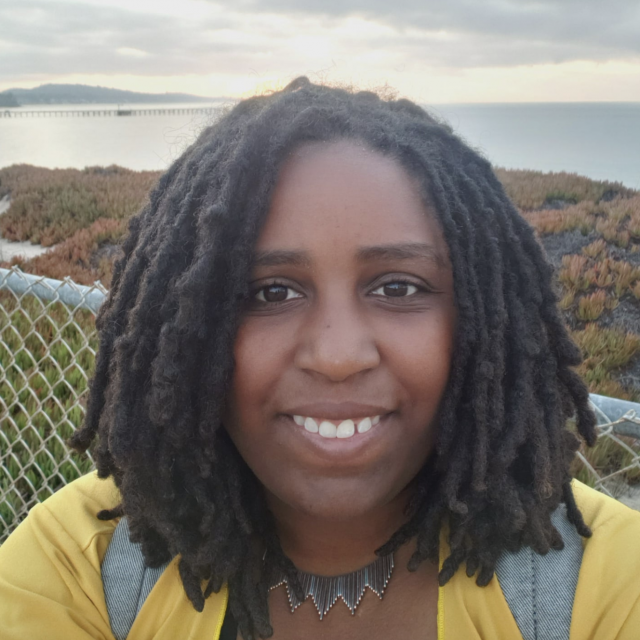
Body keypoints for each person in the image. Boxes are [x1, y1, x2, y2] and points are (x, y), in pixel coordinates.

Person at [1, 77, 639, 640]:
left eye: (398, 287)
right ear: (186, 330)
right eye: (270, 292)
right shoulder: (77, 568)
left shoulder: (604, 585)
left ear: (479, 322)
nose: (338, 357)